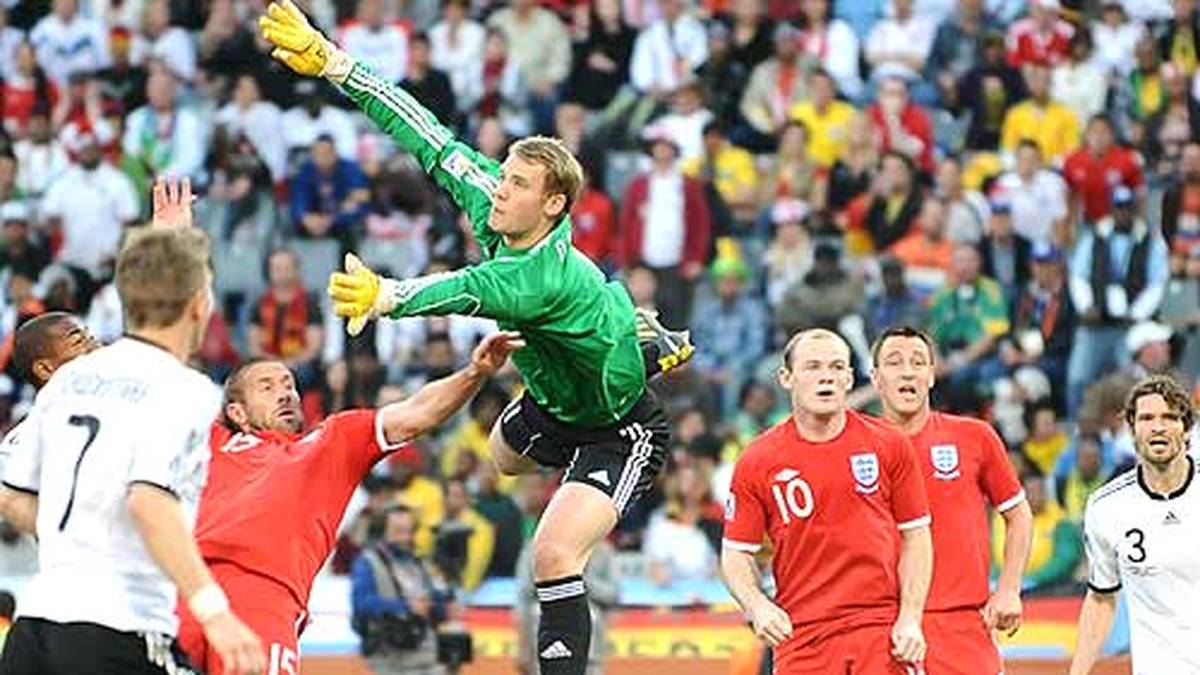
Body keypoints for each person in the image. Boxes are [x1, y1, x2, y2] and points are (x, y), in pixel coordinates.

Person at [258, 4, 691, 674]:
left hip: (617, 421)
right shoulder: (497, 201)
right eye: (505, 174)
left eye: (517, 184)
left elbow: (464, 288)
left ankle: (637, 342)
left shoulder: (535, 276)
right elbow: (424, 131)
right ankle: (628, 325)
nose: (500, 188)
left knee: (553, 553)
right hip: (554, 389)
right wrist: (336, 63)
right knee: (502, 459)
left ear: (553, 206)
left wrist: (388, 297)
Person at [145, 179, 524, 675]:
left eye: (289, 383)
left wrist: (474, 373)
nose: (286, 392)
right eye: (267, 386)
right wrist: (172, 248)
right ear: (234, 410)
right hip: (186, 592)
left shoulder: (331, 443)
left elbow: (416, 414)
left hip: (268, 599)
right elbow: (163, 353)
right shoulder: (210, 437)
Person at [0, 189, 266, 675]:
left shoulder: (69, 382)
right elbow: (149, 503)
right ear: (198, 308)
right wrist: (215, 612)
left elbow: (10, 493)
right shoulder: (185, 391)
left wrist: (170, 238)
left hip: (37, 628)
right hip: (118, 627)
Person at [720, 328, 933, 674]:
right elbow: (735, 552)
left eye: (836, 368)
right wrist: (757, 606)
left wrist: (910, 618)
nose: (826, 378)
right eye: (813, 367)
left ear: (850, 378)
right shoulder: (759, 459)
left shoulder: (889, 445)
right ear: (786, 378)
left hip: (879, 629)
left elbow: (917, 536)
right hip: (802, 635)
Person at [871, 325, 1033, 674]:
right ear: (875, 378)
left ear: (931, 375)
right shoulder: (855, 449)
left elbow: (1018, 514)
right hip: (882, 629)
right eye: (894, 362)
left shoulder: (974, 437)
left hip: (963, 625)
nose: (908, 371)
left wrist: (1008, 589)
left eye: (918, 362)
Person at [1068, 375, 1200, 674]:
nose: (1157, 427)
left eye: (1169, 417)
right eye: (1147, 418)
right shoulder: (1107, 508)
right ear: (1131, 429)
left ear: (1187, 429)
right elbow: (1101, 597)